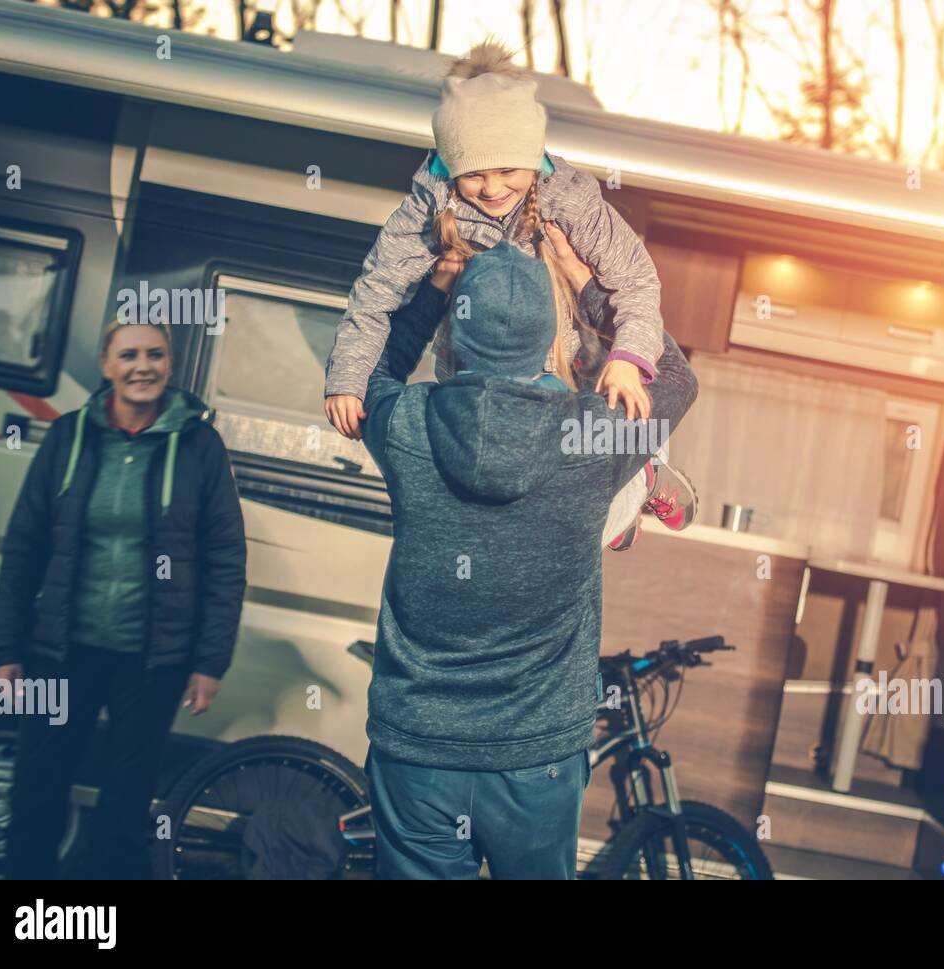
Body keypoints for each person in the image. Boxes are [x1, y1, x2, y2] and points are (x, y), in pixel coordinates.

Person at [358, 226, 698, 879]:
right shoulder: (591, 438)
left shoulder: (406, 425)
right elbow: (676, 377)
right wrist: (584, 283)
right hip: (534, 753)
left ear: (457, 334)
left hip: (417, 745)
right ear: (548, 335)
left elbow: (368, 368)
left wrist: (436, 284)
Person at [323, 39, 695, 550]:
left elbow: (635, 280)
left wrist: (629, 357)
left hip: (572, 358)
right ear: (450, 169)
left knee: (619, 410)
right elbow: (376, 292)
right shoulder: (430, 206)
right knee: (573, 465)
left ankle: (639, 478)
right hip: (478, 371)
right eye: (473, 173)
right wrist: (346, 376)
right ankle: (628, 486)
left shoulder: (569, 197)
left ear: (535, 160)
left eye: (508, 171)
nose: (493, 188)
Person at [0, 318, 246, 879]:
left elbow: (226, 558)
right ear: (106, 365)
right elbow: (24, 546)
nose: (143, 367)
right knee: (37, 792)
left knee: (126, 804)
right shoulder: (69, 436)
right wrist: (8, 648)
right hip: (61, 652)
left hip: (151, 662)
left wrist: (209, 660)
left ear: (170, 366)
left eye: (155, 355)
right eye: (129, 355)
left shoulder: (199, 444)